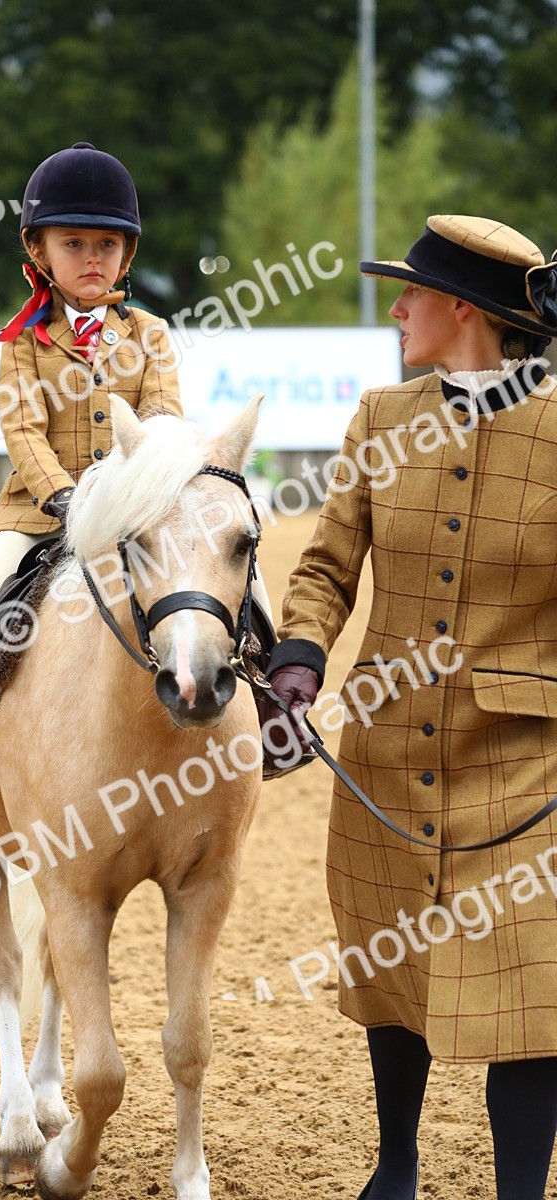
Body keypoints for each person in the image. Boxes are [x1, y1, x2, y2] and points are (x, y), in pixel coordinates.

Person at [263, 215, 557, 1199]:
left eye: (410, 295)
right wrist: (299, 660)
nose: (393, 310)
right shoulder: (381, 420)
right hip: (385, 743)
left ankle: (521, 1186)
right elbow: (324, 564)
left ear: (461, 312)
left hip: (523, 758)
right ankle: (395, 1162)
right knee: (387, 956)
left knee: (528, 979)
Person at [0, 141, 183, 810]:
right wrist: (65, 498)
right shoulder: (22, 343)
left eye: (107, 244)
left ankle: (265, 702)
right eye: (74, 244)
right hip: (39, 514)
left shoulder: (150, 335)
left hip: (131, 513)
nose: (93, 258)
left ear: (128, 252)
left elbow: (163, 421)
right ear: (40, 253)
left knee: (231, 570)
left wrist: (137, 489)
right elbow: (22, 431)